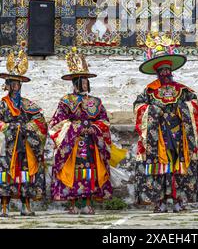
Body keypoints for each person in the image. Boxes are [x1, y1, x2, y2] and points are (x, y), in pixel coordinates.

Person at [134, 32, 198, 213]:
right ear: (157, 72)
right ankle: (160, 200)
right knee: (160, 166)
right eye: (162, 71)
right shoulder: (149, 91)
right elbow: (138, 107)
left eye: (168, 70)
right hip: (158, 136)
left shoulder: (182, 90)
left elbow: (194, 105)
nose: (165, 73)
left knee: (178, 165)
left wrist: (182, 109)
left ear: (172, 71)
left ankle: (178, 200)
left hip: (178, 135)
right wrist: (153, 110)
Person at [49, 47, 115, 214]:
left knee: (90, 170)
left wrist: (94, 127)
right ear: (75, 82)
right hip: (73, 143)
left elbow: (104, 121)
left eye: (87, 80)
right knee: (74, 170)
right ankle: (72, 204)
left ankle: (88, 202)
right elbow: (57, 123)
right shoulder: (66, 101)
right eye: (82, 80)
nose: (85, 83)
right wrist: (76, 127)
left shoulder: (96, 101)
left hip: (91, 142)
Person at [0, 42, 47, 217]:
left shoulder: (27, 103)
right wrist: (11, 128)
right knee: (4, 175)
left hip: (25, 145)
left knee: (25, 174)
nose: (15, 86)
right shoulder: (3, 104)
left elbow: (40, 121)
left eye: (18, 84)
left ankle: (26, 205)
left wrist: (28, 128)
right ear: (8, 84)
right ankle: (3, 207)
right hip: (6, 147)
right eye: (13, 83)